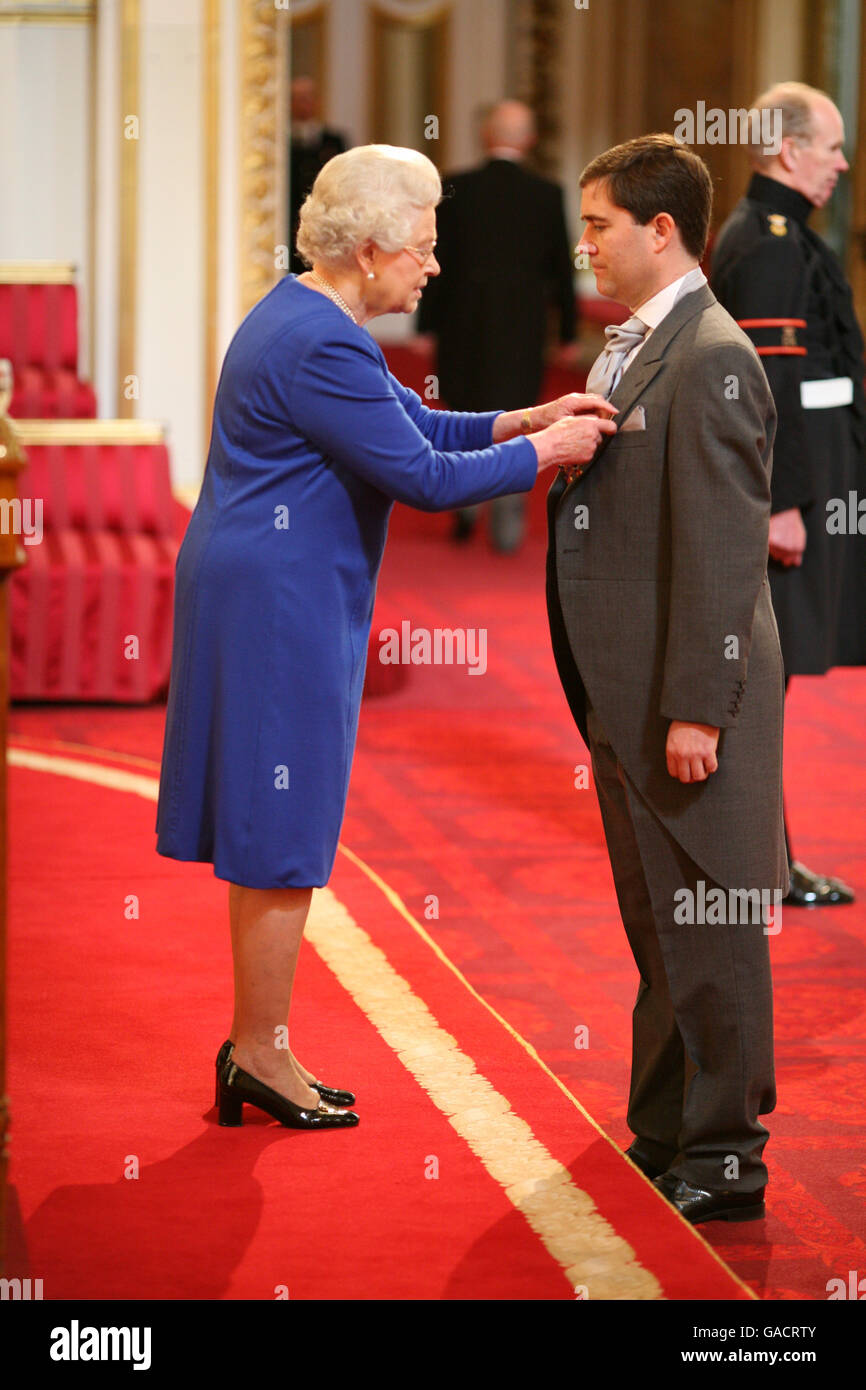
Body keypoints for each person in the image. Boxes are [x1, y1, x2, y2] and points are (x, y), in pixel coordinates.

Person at [156, 144, 616, 1133]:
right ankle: (261, 1053)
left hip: (264, 586)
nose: (433, 264)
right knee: (282, 830)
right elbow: (423, 480)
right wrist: (550, 451)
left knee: (271, 824)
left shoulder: (308, 316)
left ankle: (255, 1044)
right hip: (278, 603)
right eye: (422, 244)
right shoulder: (321, 342)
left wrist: (521, 418)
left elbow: (413, 427)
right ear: (366, 249)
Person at [547, 133, 787, 1222]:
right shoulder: (649, 339)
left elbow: (724, 554)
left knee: (710, 927)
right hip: (625, 688)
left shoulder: (710, 353)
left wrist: (698, 705)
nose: (583, 243)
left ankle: (726, 1155)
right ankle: (664, 1126)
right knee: (660, 928)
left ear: (659, 231)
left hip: (681, 697)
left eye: (597, 224)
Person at [711, 81, 865, 907]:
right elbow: (771, 382)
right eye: (831, 146)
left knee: (770, 683)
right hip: (790, 492)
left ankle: (767, 859)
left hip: (811, 480)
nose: (842, 162)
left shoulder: (782, 233)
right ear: (786, 148)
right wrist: (784, 502)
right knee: (759, 684)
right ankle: (759, 866)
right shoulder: (770, 241)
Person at [417, 100, 578, 552]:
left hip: (461, 324)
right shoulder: (546, 193)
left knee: (465, 413)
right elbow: (560, 271)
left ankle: (464, 502)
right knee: (517, 417)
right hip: (521, 330)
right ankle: (507, 522)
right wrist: (566, 332)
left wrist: (425, 325)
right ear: (528, 140)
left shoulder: (454, 187)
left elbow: (436, 261)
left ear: (486, 136)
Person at [288, 76, 347, 276]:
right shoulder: (281, 143)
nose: (304, 103)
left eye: (308, 97)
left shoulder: (333, 141)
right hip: (291, 225)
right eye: (297, 98)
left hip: (325, 224)